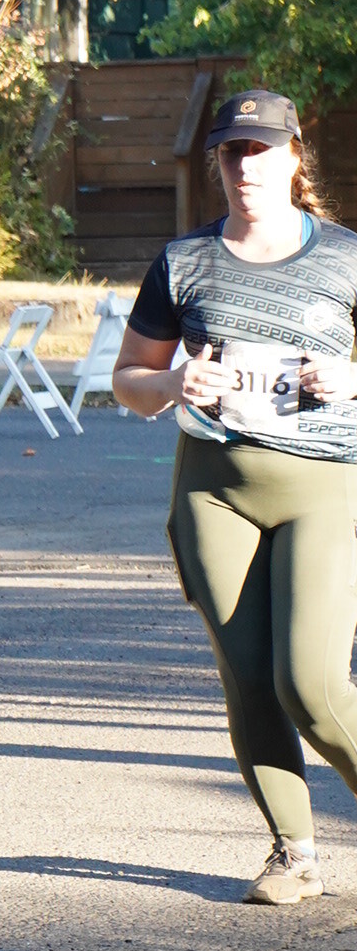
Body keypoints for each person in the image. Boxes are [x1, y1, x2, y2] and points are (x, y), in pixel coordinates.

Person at [113, 87, 357, 904]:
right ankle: (294, 854)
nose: (246, 166)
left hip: (324, 487)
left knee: (311, 684)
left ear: (294, 158)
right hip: (214, 493)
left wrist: (351, 377)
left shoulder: (345, 256)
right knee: (248, 677)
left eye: (261, 150)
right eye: (232, 152)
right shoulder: (183, 261)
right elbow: (129, 380)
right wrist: (173, 382)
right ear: (216, 163)